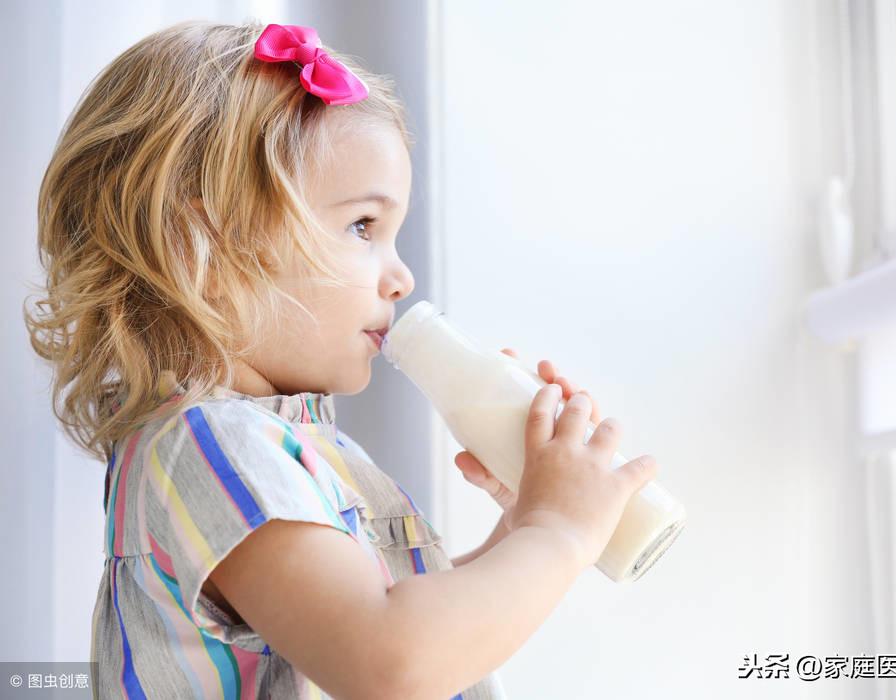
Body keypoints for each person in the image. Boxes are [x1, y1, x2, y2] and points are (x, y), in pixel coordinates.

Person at [25, 19, 659, 699]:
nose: (401, 278)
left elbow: (374, 624)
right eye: (363, 227)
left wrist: (520, 527)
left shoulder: (272, 443)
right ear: (203, 248)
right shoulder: (213, 446)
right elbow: (388, 662)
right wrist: (556, 530)